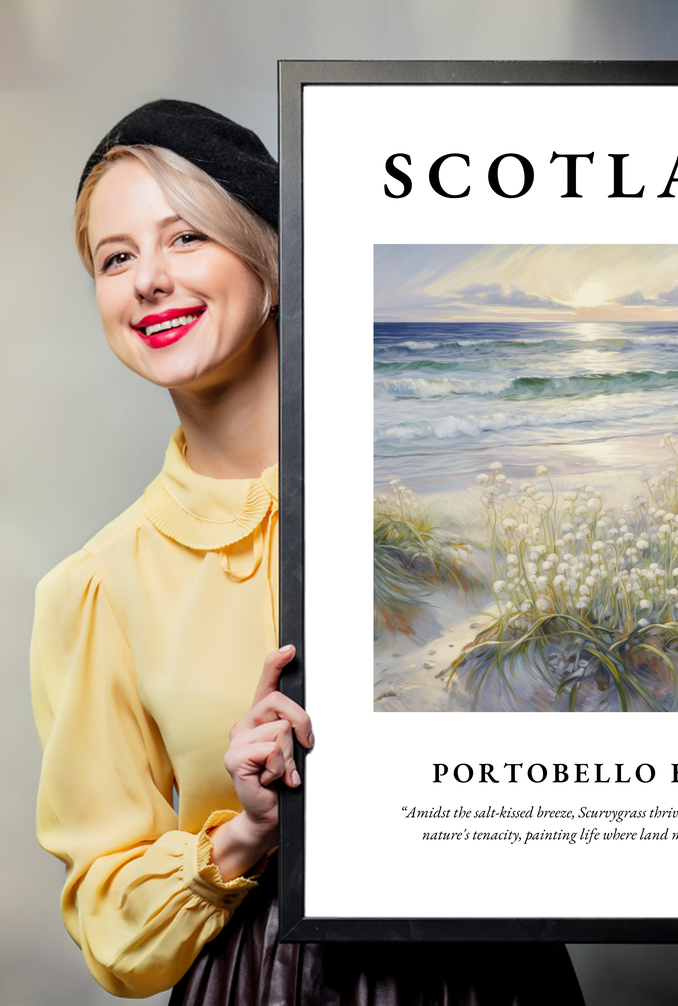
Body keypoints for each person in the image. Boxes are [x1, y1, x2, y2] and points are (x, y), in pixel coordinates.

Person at [30, 100, 586, 1004]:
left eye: (185, 239)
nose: (148, 281)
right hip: (263, 981)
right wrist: (245, 832)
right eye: (116, 257)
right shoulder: (98, 587)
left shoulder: (453, 497)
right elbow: (110, 922)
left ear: (273, 263)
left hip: (493, 971)